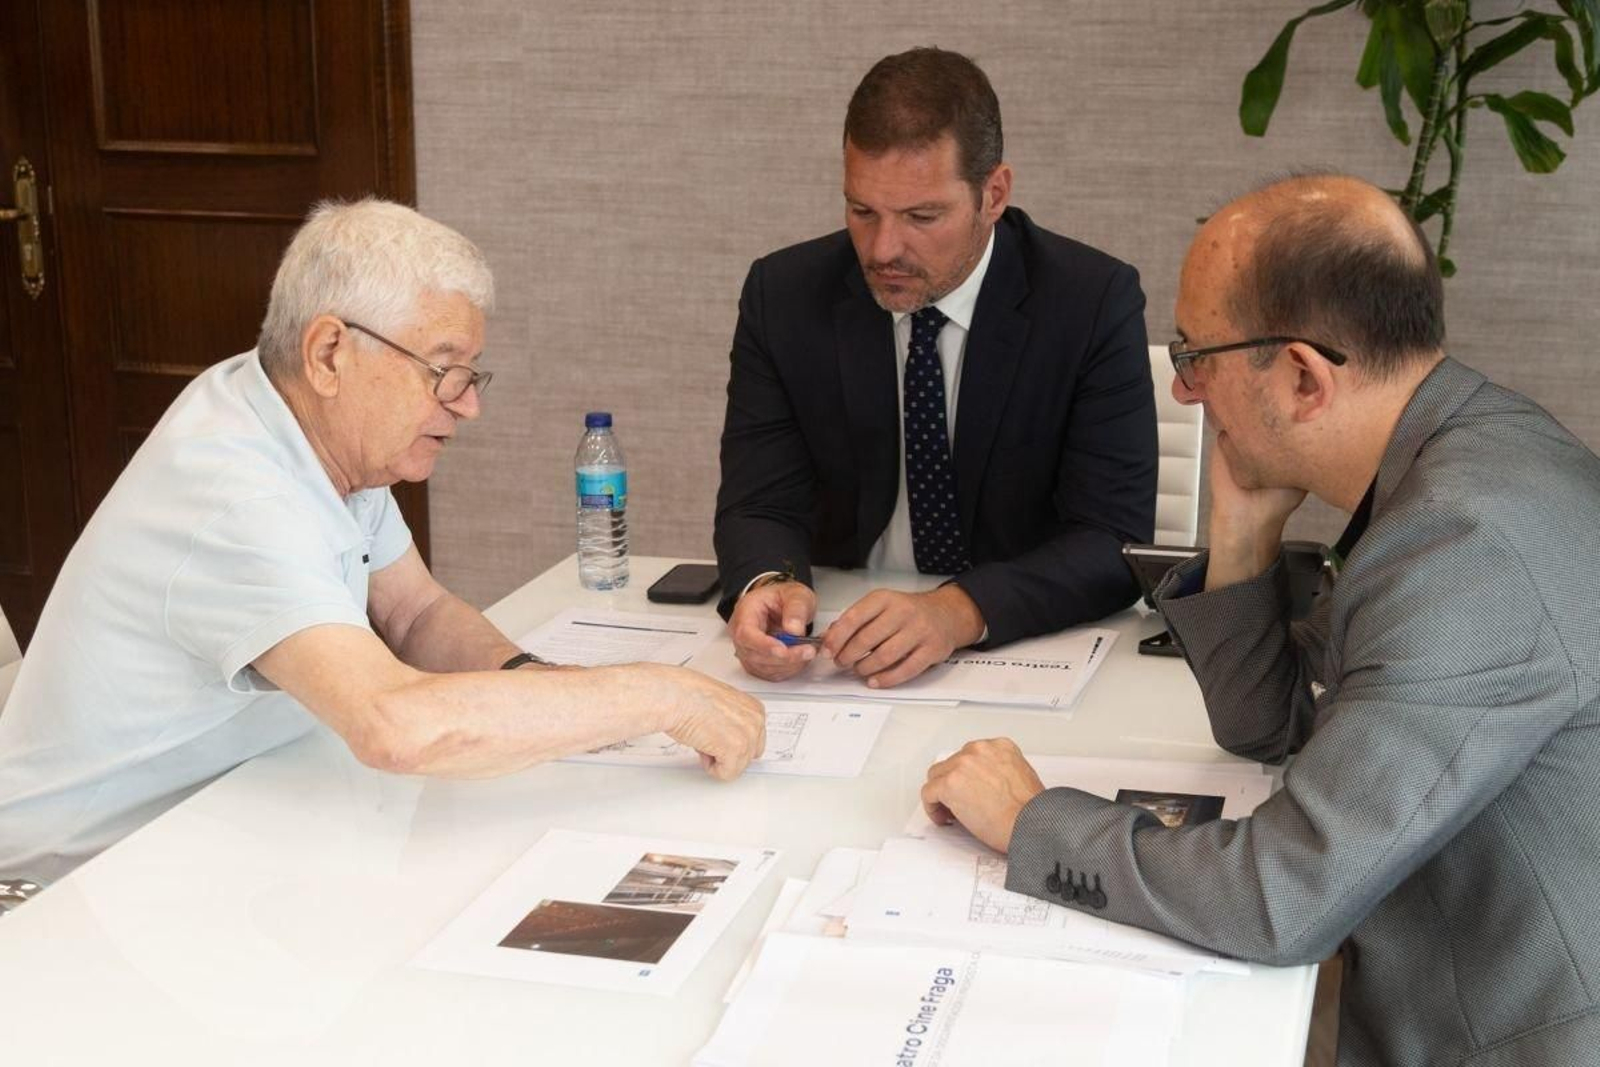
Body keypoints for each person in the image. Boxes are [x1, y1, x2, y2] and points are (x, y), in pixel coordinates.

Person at [921, 174, 1600, 1066]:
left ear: (1305, 377)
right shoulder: (1469, 450)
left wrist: (1031, 821)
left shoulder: (1461, 546)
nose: (1188, 390)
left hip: (1507, 1033)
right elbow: (1273, 725)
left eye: (1196, 354)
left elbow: (1281, 898)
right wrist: (1240, 538)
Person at [0, 200, 764, 883]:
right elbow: (392, 726)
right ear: (331, 352)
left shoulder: (303, 420)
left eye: (471, 375)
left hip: (226, 821)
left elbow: (415, 613)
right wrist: (657, 695)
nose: (467, 407)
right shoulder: (235, 493)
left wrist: (543, 689)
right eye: (444, 373)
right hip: (79, 887)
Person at [714, 47, 1156, 689]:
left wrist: (957, 611)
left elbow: (1111, 539)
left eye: (922, 217)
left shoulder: (1090, 302)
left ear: (994, 193)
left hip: (1018, 652)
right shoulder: (783, 296)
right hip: (840, 652)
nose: (884, 249)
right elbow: (757, 501)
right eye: (862, 211)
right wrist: (768, 581)